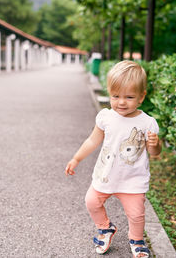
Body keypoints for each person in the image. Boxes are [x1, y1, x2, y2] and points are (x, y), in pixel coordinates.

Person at [64, 60, 162, 258]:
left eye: (129, 97)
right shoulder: (106, 117)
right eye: (115, 96)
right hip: (106, 175)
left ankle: (137, 239)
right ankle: (105, 228)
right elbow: (93, 140)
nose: (121, 102)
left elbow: (155, 153)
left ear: (141, 97)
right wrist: (76, 158)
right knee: (91, 201)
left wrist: (154, 144)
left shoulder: (147, 123)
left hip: (132, 179)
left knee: (136, 215)